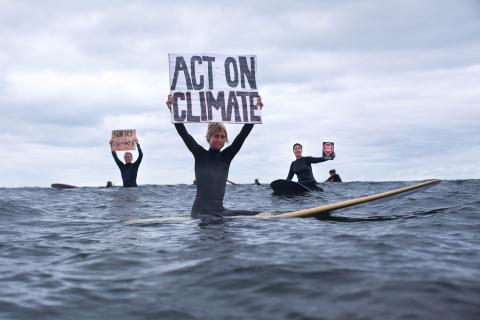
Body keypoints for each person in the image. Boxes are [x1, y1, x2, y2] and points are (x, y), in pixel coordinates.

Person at [166, 94, 267, 218]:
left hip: (220, 211)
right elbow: (184, 133)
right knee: (219, 221)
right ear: (209, 138)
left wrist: (256, 111)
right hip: (200, 213)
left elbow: (242, 135)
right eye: (216, 136)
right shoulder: (200, 154)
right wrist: (172, 110)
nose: (219, 140)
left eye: (222, 137)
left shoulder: (226, 157)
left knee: (257, 214)